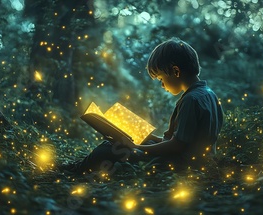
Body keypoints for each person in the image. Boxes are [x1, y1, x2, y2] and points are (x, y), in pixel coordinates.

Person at [63, 37, 224, 174]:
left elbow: (177, 145)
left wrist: (136, 147)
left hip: (181, 164)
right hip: (197, 160)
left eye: (161, 79)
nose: (162, 85)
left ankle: (75, 170)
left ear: (175, 71)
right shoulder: (208, 94)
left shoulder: (190, 100)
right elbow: (186, 139)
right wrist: (149, 138)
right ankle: (79, 167)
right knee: (141, 143)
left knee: (109, 148)